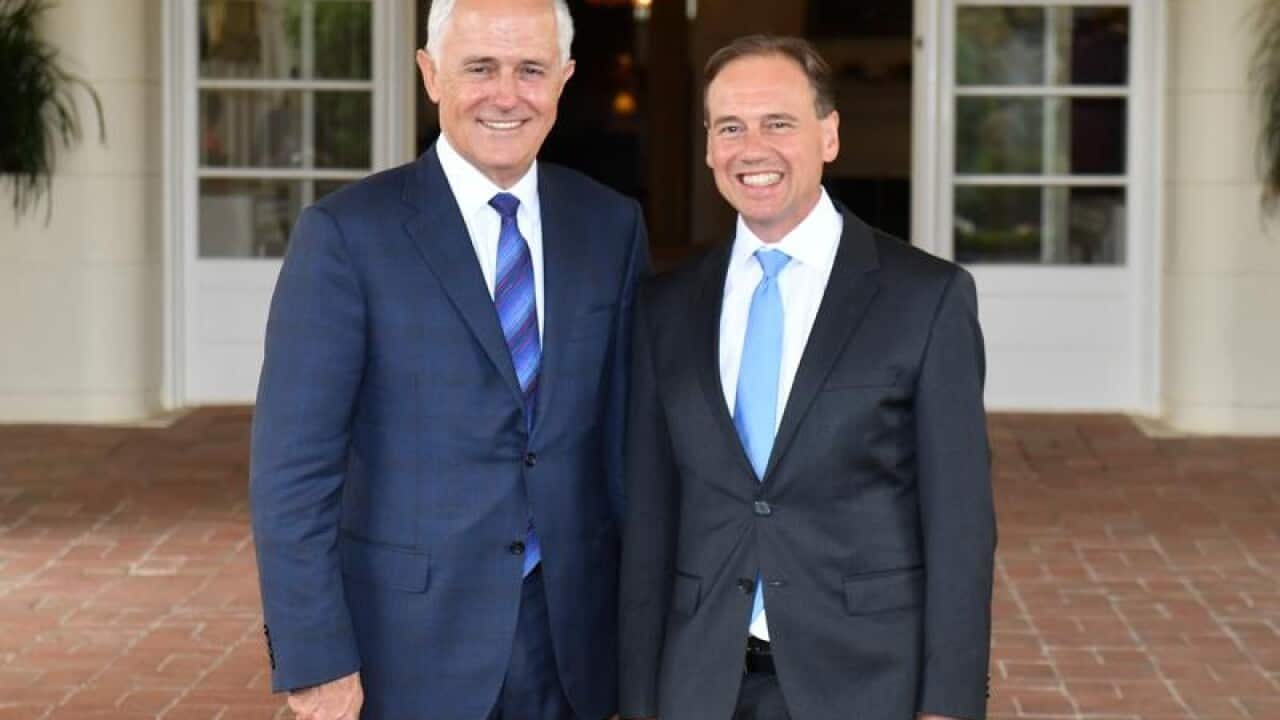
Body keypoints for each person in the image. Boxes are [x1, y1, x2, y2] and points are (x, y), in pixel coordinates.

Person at [250, 0, 647, 717]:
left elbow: (622, 449)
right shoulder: (345, 237)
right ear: (431, 76)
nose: (506, 94)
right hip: (406, 645)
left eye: (530, 70)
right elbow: (292, 472)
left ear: (564, 80)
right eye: (479, 68)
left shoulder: (611, 226)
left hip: (572, 642)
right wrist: (316, 655)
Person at [618, 35, 994, 720]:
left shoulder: (925, 299)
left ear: (829, 135)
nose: (751, 147)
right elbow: (651, 517)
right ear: (708, 147)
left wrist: (950, 702)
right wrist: (640, 698)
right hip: (701, 681)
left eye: (778, 123)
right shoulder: (664, 309)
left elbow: (960, 524)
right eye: (730, 126)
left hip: (866, 679)